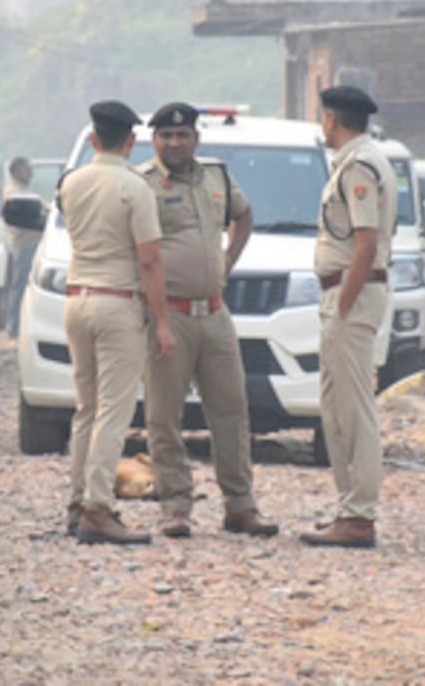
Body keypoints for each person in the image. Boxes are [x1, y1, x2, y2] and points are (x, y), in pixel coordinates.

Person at [140, 102, 278, 540]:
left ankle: (240, 505)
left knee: (231, 411)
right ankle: (175, 507)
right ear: (153, 140)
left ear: (196, 140)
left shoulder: (216, 176)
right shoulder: (142, 185)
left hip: (215, 313)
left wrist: (226, 262)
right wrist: (154, 315)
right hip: (169, 316)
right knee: (164, 416)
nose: (174, 142)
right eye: (165, 135)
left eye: (182, 135)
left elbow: (244, 215)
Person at [58, 100, 175, 545]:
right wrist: (161, 321)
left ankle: (77, 501)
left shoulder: (71, 182)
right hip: (117, 302)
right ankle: (98, 507)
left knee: (86, 408)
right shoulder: (134, 187)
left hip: (77, 299)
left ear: (93, 139)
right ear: (131, 141)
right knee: (114, 409)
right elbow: (149, 259)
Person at [300, 85, 397, 549]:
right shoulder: (359, 160)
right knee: (336, 405)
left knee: (353, 407)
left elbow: (365, 243)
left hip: (351, 294)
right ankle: (349, 508)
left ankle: (359, 515)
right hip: (346, 292)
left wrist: (343, 303)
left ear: (331, 119)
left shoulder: (359, 165)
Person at [3, 156, 44, 339]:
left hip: (32, 243)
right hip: (24, 244)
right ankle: (13, 325)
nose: (31, 173)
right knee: (19, 286)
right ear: (17, 171)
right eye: (27, 169)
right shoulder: (14, 193)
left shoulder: (24, 191)